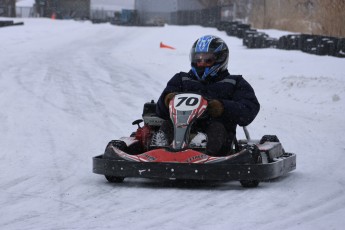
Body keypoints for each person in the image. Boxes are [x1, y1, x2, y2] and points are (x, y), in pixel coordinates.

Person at [155, 35, 260, 156]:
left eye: (207, 60)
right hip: (180, 127)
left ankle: (201, 152)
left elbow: (248, 110)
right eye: (198, 60)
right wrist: (168, 101)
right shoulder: (181, 79)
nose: (201, 64)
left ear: (221, 59)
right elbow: (160, 112)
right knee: (166, 125)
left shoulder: (234, 82)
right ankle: (161, 151)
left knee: (216, 129)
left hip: (217, 136)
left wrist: (222, 107)